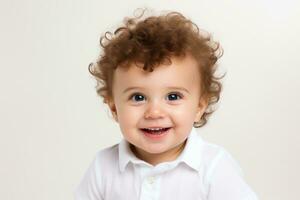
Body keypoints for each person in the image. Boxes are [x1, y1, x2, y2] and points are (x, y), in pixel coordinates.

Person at [74, 9, 259, 200]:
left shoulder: (214, 168)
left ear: (199, 107)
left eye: (172, 96)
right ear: (114, 108)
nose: (154, 112)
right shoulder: (103, 168)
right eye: (138, 97)